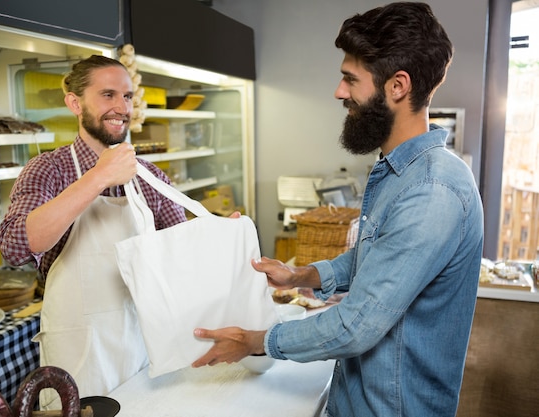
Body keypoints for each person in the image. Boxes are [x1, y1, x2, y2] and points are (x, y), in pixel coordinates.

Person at [191, 3, 484, 417]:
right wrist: (302, 275)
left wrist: (255, 341)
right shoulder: (401, 170)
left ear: (397, 86)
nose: (339, 92)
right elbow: (379, 259)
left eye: (350, 79)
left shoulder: (432, 190)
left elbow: (356, 325)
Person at [0, 55, 187, 408]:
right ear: (74, 102)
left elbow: (181, 255)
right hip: (78, 360)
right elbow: (16, 246)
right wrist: (99, 176)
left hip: (142, 350)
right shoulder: (48, 170)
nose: (121, 107)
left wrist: (219, 239)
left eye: (128, 97)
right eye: (108, 95)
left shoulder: (150, 177)